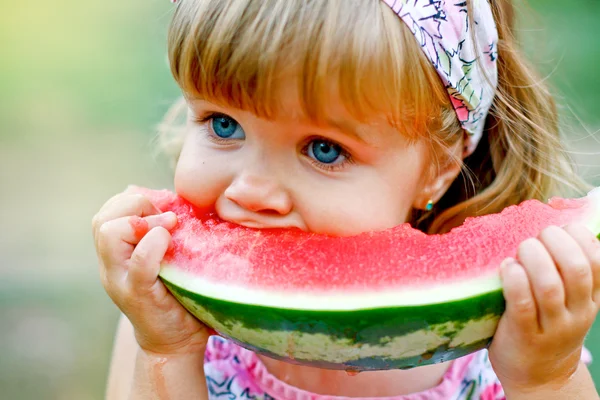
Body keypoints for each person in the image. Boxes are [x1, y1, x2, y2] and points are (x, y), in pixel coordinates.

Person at [92, 0, 600, 398]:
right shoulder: (167, 322)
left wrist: (546, 382)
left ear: (439, 168)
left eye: (324, 149)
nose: (250, 190)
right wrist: (168, 352)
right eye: (224, 125)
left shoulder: (514, 346)